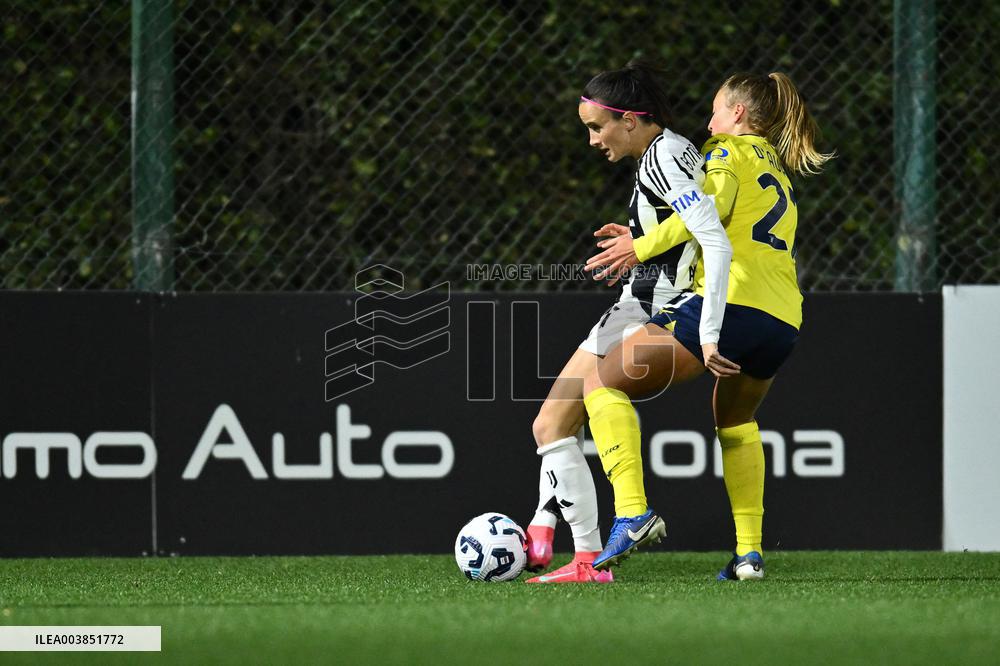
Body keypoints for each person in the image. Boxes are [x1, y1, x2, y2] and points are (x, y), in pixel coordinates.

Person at [582, 72, 834, 579]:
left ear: (738, 115)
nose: (709, 120)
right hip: (783, 319)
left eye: (717, 110)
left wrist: (640, 246)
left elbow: (709, 217)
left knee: (600, 383)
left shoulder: (725, 153)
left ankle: (631, 510)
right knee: (735, 422)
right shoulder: (777, 170)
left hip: (732, 306)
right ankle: (749, 555)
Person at [524, 60, 733, 584]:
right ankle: (579, 552)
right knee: (551, 425)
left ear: (632, 119)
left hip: (648, 305)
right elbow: (686, 219)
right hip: (641, 299)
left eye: (598, 127)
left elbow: (707, 229)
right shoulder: (671, 150)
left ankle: (590, 549)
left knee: (554, 422)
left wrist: (705, 323)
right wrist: (644, 230)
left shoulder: (661, 157)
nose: (593, 140)